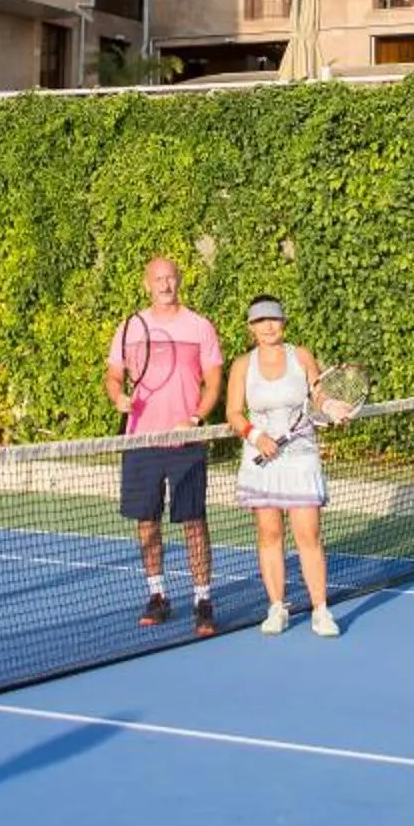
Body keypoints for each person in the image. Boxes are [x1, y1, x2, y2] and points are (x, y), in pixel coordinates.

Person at [105, 255, 222, 636]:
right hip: (142, 441)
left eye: (171, 277)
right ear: (146, 284)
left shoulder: (200, 326)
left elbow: (213, 380)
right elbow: (112, 375)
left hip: (185, 441)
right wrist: (117, 396)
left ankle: (202, 599)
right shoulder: (129, 327)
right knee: (147, 525)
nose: (165, 284)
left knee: (193, 522)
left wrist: (196, 417)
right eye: (158, 279)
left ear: (180, 281)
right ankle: (157, 595)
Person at [225, 295, 335, 637]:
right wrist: (255, 435)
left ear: (283, 322)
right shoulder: (243, 365)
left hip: (300, 458)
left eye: (273, 319)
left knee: (308, 535)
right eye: (260, 321)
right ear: (251, 328)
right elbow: (233, 412)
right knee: (269, 534)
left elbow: (319, 395)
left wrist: (333, 407)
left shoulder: (300, 356)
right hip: (261, 461)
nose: (268, 326)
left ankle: (320, 610)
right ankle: (277, 607)